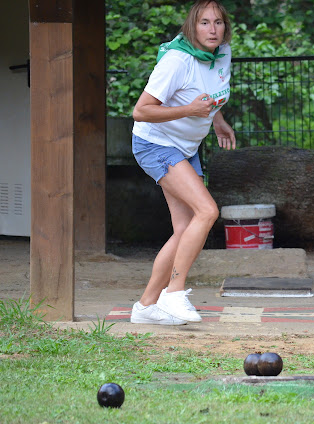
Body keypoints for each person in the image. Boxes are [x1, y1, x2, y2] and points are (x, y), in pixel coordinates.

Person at [129, 0, 236, 325]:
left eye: (218, 22)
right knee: (207, 212)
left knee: (185, 228)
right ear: (192, 26)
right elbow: (141, 111)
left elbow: (211, 92)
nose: (212, 29)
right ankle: (173, 293)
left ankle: (146, 306)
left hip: (186, 147)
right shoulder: (177, 61)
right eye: (204, 22)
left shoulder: (223, 53)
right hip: (155, 143)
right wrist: (189, 111)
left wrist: (217, 119)